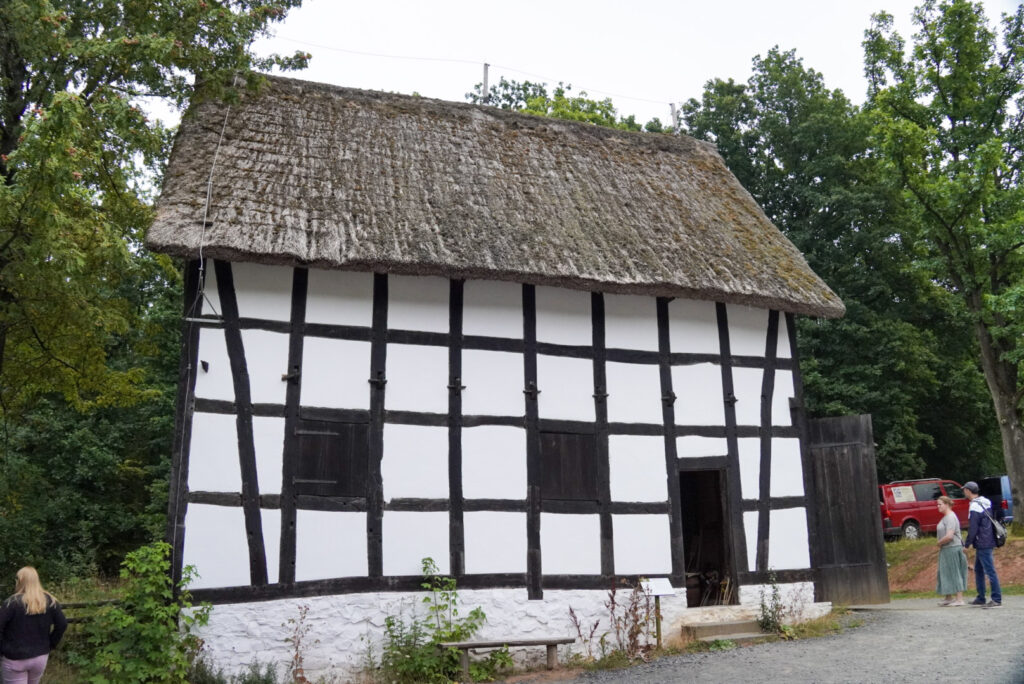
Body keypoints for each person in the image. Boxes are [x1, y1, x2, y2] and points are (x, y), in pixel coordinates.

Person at [0, 567, 67, 684]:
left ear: (20, 580)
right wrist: (51, 644)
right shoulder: (50, 601)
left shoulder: (11, 603)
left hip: (14, 657)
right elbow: (62, 625)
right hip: (40, 657)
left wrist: (2, 650)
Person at [963, 481, 1002, 608]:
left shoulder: (974, 506)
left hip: (982, 542)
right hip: (988, 539)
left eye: (965, 490)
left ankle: (996, 598)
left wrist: (967, 543)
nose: (964, 492)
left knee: (990, 570)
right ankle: (981, 597)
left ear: (969, 491)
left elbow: (973, 527)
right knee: (979, 570)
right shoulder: (985, 502)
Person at [934, 495, 967, 606]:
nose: (938, 506)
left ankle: (959, 599)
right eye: (937, 504)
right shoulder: (945, 517)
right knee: (944, 572)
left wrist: (939, 543)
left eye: (940, 504)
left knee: (954, 572)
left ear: (947, 504)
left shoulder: (951, 517)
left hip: (953, 548)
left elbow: (949, 536)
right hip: (946, 549)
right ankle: (948, 597)